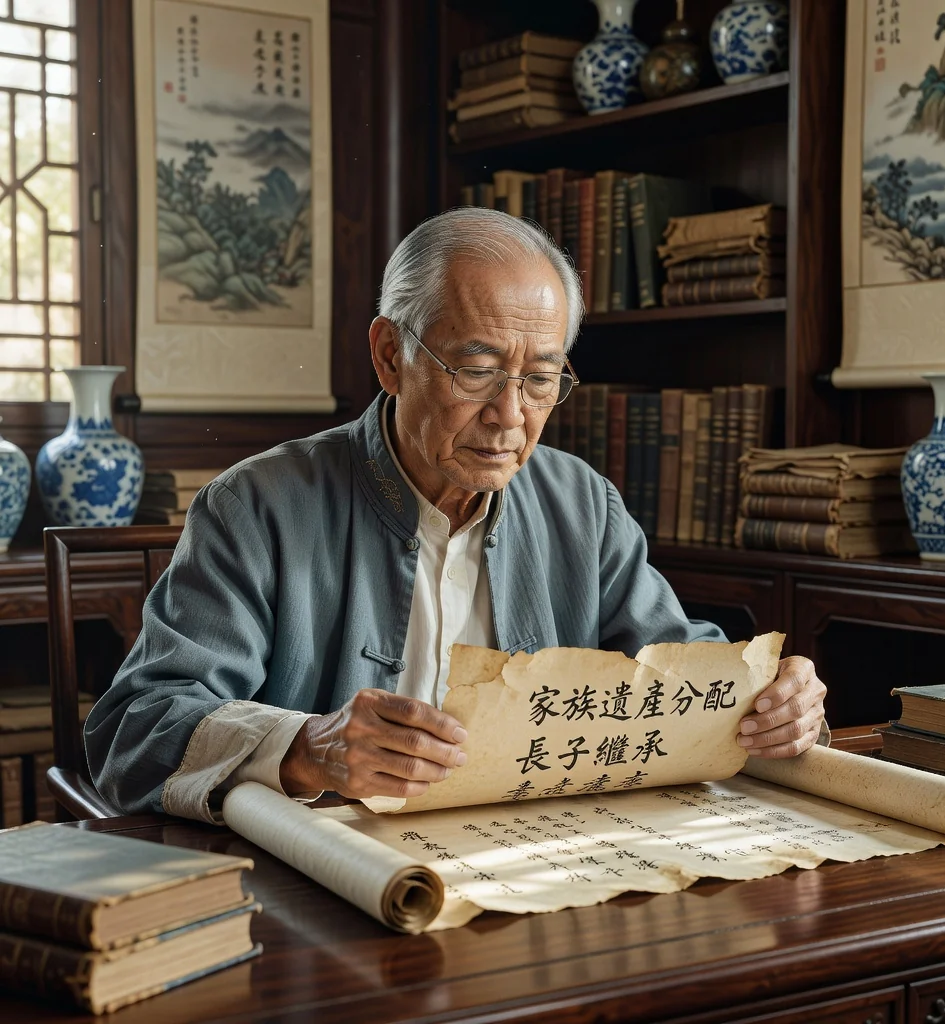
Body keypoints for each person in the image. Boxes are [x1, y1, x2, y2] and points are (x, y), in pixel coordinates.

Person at [85, 208, 826, 822]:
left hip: (538, 862)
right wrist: (307, 745)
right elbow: (136, 727)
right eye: (476, 371)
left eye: (540, 379)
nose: (510, 416)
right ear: (389, 356)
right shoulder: (258, 506)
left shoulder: (582, 507)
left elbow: (679, 671)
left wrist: (774, 694)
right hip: (326, 877)